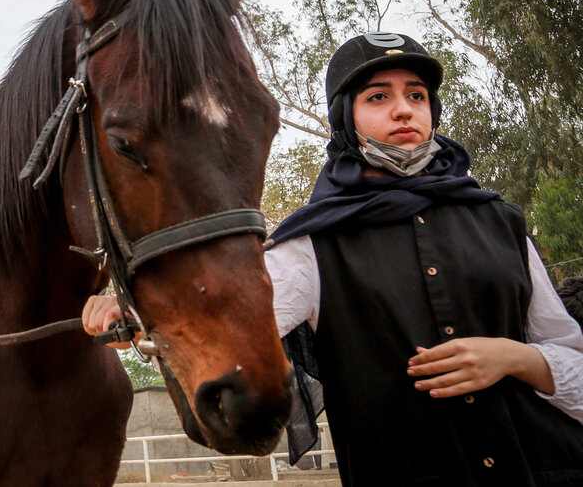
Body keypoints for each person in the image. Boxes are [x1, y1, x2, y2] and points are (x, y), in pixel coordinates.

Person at [83, 33, 583, 486]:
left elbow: (569, 357)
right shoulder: (312, 243)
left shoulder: (500, 221)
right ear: (345, 115)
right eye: (378, 97)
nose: (405, 109)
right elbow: (225, 314)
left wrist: (519, 358)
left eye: (417, 95)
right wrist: (130, 312)